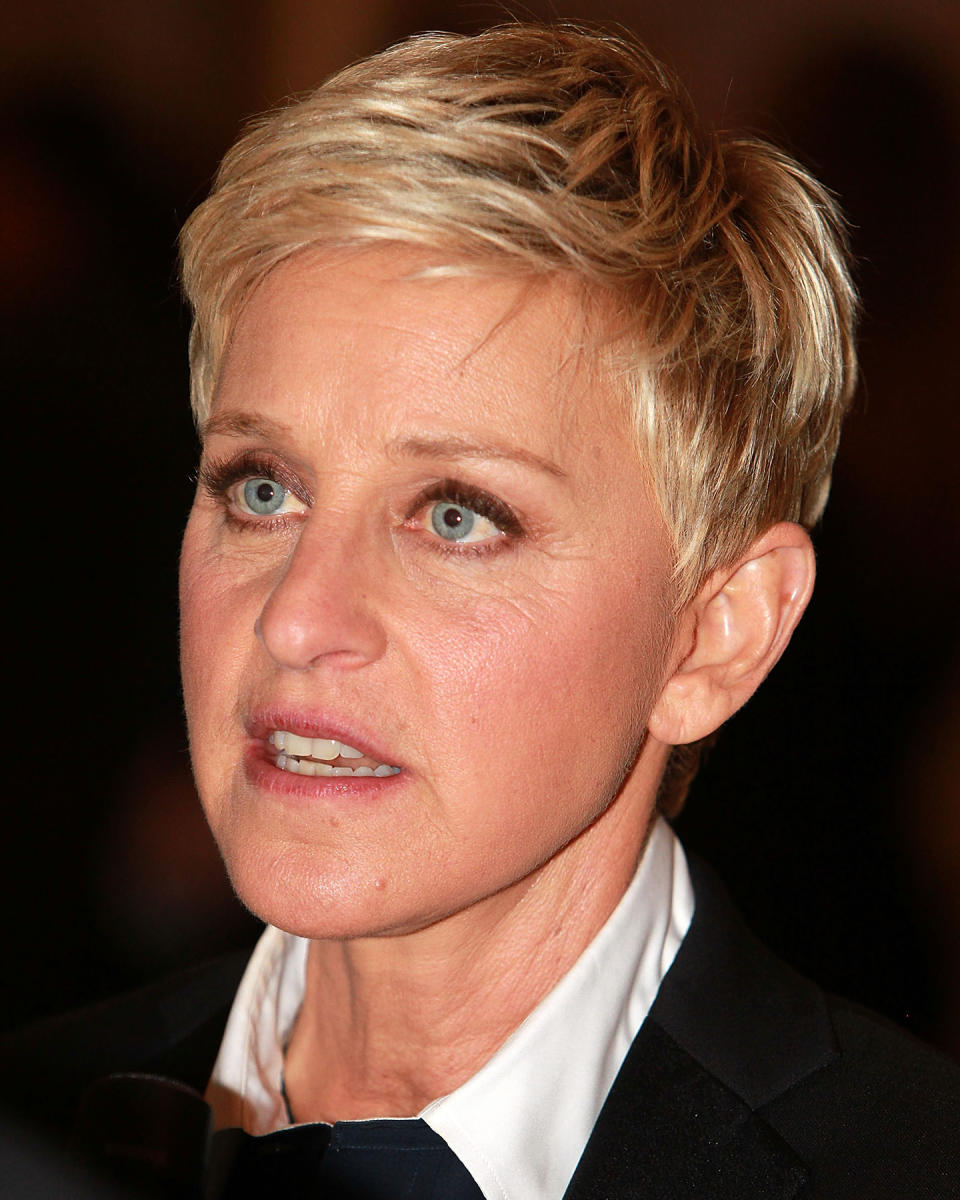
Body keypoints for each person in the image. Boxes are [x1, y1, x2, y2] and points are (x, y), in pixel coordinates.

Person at [3, 22, 958, 1199]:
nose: (296, 619)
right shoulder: (39, 1123)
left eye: (458, 516)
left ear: (718, 631)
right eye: (262, 490)